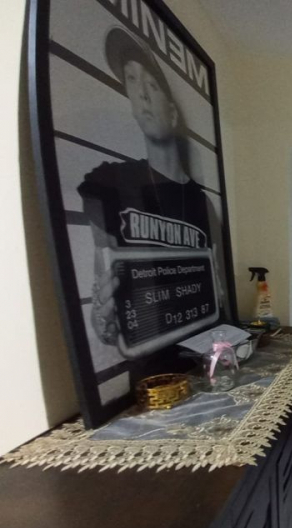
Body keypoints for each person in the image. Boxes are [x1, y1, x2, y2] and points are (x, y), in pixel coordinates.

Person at [81, 27, 219, 346]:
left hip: (199, 350)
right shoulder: (109, 181)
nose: (142, 93)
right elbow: (102, 292)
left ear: (172, 113)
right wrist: (103, 320)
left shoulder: (203, 204)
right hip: (147, 355)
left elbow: (217, 292)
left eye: (152, 85)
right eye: (131, 80)